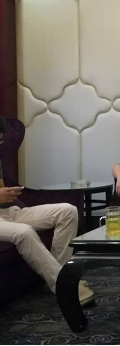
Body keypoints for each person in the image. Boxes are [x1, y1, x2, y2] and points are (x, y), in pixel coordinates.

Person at [0, 115, 94, 305]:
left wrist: (7, 194)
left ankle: (58, 275)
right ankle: (64, 286)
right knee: (24, 232)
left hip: (8, 212)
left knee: (67, 211)